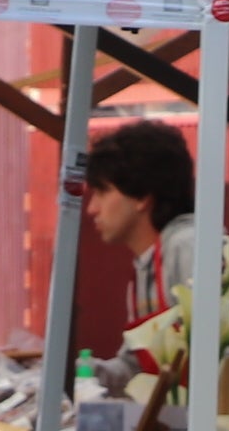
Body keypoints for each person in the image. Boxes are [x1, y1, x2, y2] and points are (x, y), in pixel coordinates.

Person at [80, 117, 200, 336]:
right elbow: (133, 362)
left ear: (142, 195)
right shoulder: (144, 266)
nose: (91, 209)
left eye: (102, 192)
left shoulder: (188, 248)